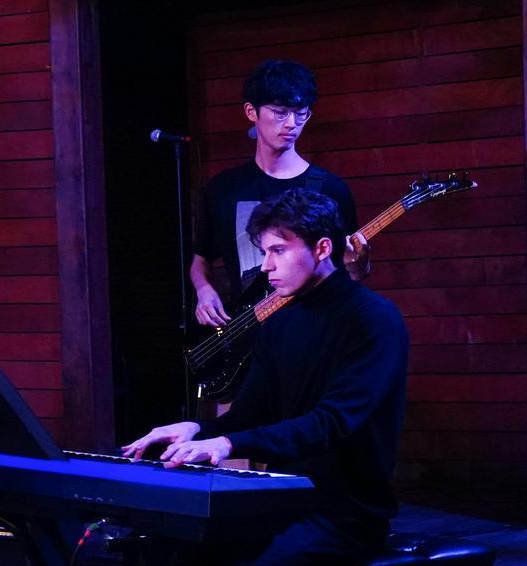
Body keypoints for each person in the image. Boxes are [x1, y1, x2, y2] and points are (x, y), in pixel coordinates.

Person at [124, 189, 408, 563]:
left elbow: (330, 423)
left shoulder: (373, 319)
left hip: (344, 514)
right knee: (168, 548)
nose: (265, 267)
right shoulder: (281, 322)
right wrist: (197, 430)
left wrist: (226, 444)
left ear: (322, 249)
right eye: (264, 252)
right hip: (279, 498)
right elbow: (248, 415)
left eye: (278, 251)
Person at [191, 59, 369, 330]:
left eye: (301, 113)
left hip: (315, 332)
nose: (292, 124)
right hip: (247, 336)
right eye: (280, 112)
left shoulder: (330, 190)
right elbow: (200, 259)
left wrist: (359, 268)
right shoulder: (223, 188)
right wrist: (204, 290)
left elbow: (350, 274)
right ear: (251, 111)